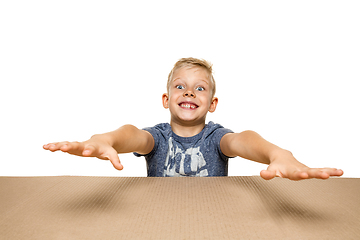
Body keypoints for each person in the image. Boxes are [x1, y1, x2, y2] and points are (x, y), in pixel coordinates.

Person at [43, 57, 343, 180]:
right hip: (159, 219)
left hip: (211, 220)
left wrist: (277, 154)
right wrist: (104, 141)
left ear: (212, 103)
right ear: (166, 99)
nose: (189, 92)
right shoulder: (157, 137)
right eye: (180, 86)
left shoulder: (215, 137)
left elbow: (242, 140)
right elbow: (132, 134)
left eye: (199, 88)